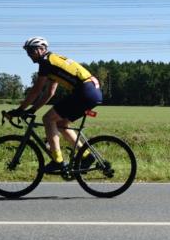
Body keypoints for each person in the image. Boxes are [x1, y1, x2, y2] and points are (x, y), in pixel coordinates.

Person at [7, 37, 102, 175]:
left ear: (42, 49)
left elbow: (36, 90)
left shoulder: (46, 62)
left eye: (32, 51)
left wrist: (20, 110)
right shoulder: (53, 62)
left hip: (84, 91)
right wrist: (32, 109)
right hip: (91, 92)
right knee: (61, 124)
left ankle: (58, 161)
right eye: (27, 52)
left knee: (48, 119)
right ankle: (86, 156)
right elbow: (49, 93)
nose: (29, 54)